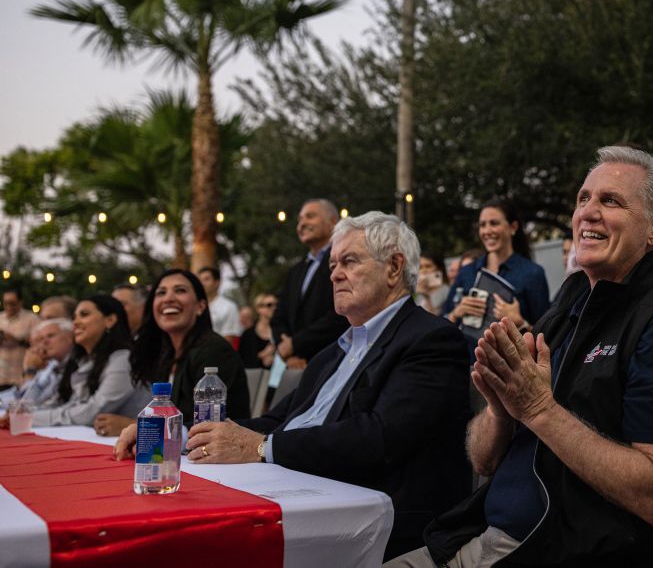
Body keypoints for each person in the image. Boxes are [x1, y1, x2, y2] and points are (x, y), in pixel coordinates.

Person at [392, 146, 653, 568]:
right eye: (583, 199)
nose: (587, 213)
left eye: (610, 201)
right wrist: (500, 409)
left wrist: (538, 409)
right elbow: (482, 460)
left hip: (555, 550)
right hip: (477, 536)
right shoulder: (560, 317)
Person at [118, 211, 472, 561]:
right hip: (299, 490)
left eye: (348, 261)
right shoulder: (334, 352)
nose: (334, 274)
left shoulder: (430, 340)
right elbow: (276, 421)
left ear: (394, 268)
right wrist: (175, 437)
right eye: (332, 264)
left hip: (371, 518)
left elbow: (380, 437)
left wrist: (261, 448)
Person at [104, 268, 249, 437]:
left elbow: (209, 425)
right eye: (161, 293)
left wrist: (137, 425)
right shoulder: (165, 354)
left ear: (200, 306)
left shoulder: (214, 352)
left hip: (217, 457)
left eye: (180, 290)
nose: (168, 298)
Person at [0, 296, 147, 428]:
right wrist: (20, 415)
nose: (75, 323)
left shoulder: (123, 359)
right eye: (74, 317)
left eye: (84, 315)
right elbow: (66, 404)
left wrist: (29, 417)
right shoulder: (85, 361)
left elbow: (93, 411)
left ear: (110, 320)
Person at [441, 198, 550, 332]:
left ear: (513, 227)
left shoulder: (533, 273)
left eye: (494, 223)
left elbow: (546, 335)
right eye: (482, 225)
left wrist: (520, 322)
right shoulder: (466, 272)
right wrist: (456, 313)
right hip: (467, 352)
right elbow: (442, 322)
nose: (486, 231)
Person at [270, 199, 347, 367]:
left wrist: (295, 344)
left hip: (331, 362)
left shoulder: (345, 263)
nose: (302, 224)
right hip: (292, 365)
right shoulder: (295, 271)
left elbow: (341, 314)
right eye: (299, 219)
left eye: (310, 217)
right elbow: (278, 316)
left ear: (333, 223)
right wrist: (287, 353)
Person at [0, 318, 76, 406]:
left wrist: (30, 371)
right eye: (39, 340)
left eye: (50, 336)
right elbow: (20, 399)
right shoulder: (54, 366)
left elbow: (28, 403)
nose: (44, 343)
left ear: (70, 337)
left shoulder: (74, 365)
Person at [0, 287, 37, 389]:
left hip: (19, 377)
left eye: (12, 303)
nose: (8, 306)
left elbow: (39, 345)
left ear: (20, 302)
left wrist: (16, 339)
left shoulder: (32, 319)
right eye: (5, 303)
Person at [198, 265, 241, 344]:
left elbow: (229, 338)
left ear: (217, 283)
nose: (202, 283)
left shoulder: (229, 307)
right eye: (200, 280)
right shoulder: (194, 306)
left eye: (206, 279)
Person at [238, 293, 277, 369]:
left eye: (276, 305)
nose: (274, 308)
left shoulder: (282, 331)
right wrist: (262, 355)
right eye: (269, 305)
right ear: (259, 309)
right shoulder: (248, 335)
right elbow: (243, 361)